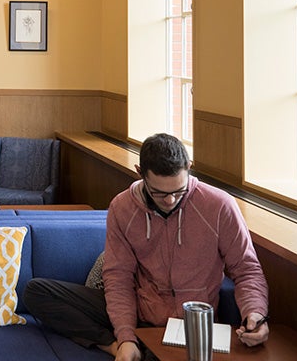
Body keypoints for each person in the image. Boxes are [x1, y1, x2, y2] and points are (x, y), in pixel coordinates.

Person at [23, 133, 270, 361]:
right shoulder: (122, 207)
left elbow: (246, 269)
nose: (171, 200)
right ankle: (116, 347)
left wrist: (255, 314)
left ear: (189, 169)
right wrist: (126, 336)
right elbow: (118, 277)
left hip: (190, 327)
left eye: (179, 191)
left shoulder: (219, 206)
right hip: (139, 312)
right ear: (140, 172)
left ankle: (137, 349)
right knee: (37, 291)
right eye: (160, 193)